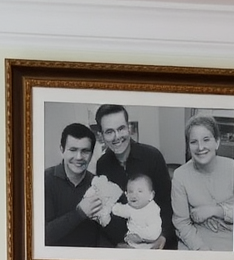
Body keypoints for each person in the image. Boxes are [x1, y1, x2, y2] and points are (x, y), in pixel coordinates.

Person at [94, 103, 176, 250]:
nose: (117, 137)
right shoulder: (102, 165)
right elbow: (109, 209)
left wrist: (163, 236)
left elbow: (167, 203)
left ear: (129, 128)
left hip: (158, 238)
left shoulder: (153, 156)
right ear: (101, 136)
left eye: (121, 128)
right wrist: (121, 243)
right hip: (123, 242)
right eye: (109, 132)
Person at [171, 113, 234, 252]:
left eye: (206, 139)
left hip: (231, 238)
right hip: (195, 239)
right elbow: (181, 222)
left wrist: (215, 211)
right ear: (188, 147)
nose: (200, 147)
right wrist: (201, 248)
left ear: (217, 142)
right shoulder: (180, 175)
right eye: (194, 142)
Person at [43, 122, 109, 248]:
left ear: (91, 154)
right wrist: (79, 213)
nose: (79, 157)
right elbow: (42, 236)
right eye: (73, 150)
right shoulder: (46, 180)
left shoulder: (98, 183)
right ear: (62, 150)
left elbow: (104, 233)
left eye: (85, 151)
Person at [110, 174, 164, 250]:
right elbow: (119, 209)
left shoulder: (152, 210)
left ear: (151, 196)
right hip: (131, 246)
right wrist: (109, 205)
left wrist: (138, 236)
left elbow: (154, 232)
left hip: (149, 247)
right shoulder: (131, 207)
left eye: (140, 191)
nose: (134, 195)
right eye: (131, 191)